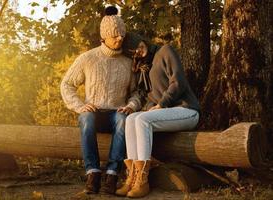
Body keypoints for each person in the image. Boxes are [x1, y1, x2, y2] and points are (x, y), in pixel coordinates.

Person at [60, 7, 141, 195]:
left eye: (121, 34)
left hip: (116, 113)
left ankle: (112, 175)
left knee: (123, 120)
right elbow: (67, 84)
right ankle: (93, 173)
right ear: (104, 37)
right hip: (93, 112)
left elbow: (137, 93)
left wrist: (131, 105)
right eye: (114, 35)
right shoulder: (88, 58)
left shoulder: (128, 63)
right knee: (86, 118)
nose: (119, 38)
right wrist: (80, 106)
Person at [116, 40, 200, 198]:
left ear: (143, 41)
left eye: (140, 45)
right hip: (166, 113)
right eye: (134, 50)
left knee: (142, 120)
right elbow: (144, 96)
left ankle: (143, 181)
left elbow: (178, 82)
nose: (139, 51)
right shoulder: (142, 68)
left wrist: (162, 103)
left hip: (187, 110)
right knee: (131, 118)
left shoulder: (165, 51)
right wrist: (131, 107)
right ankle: (132, 178)